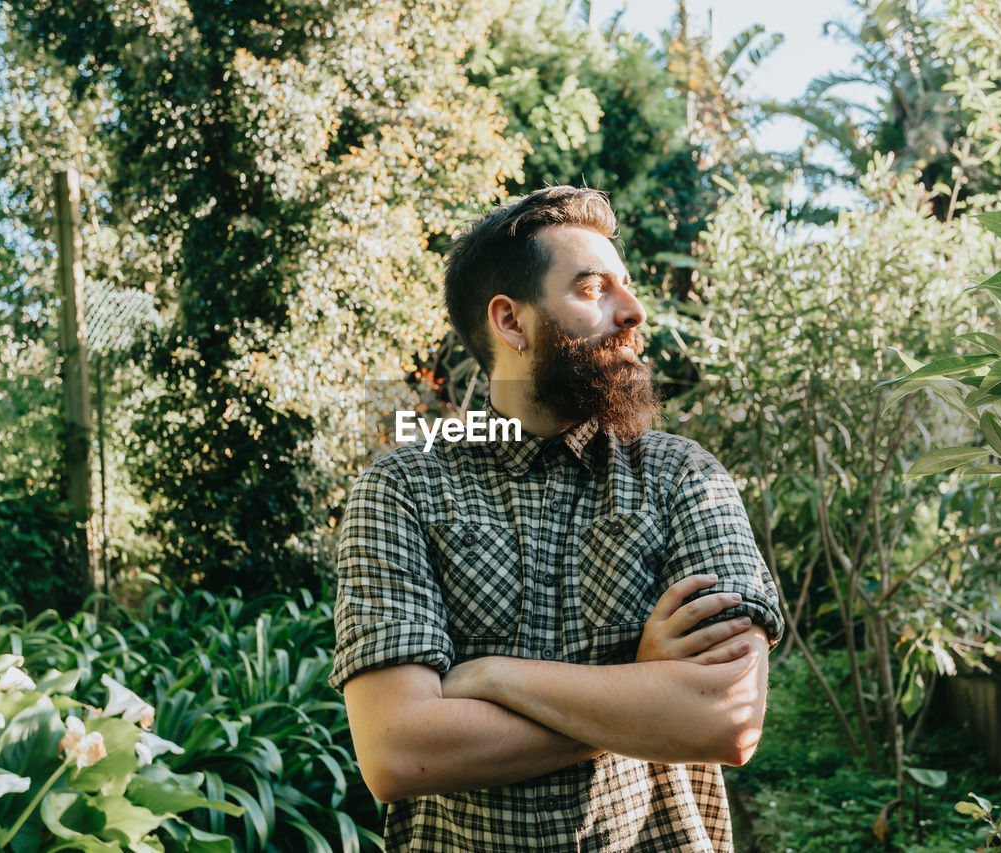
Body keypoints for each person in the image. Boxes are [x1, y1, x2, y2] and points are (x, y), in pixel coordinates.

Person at [328, 186, 784, 852]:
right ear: (512, 323)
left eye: (625, 287)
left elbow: (728, 719)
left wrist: (489, 676)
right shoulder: (402, 489)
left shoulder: (684, 477)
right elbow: (400, 752)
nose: (634, 311)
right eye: (594, 288)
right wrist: (641, 689)